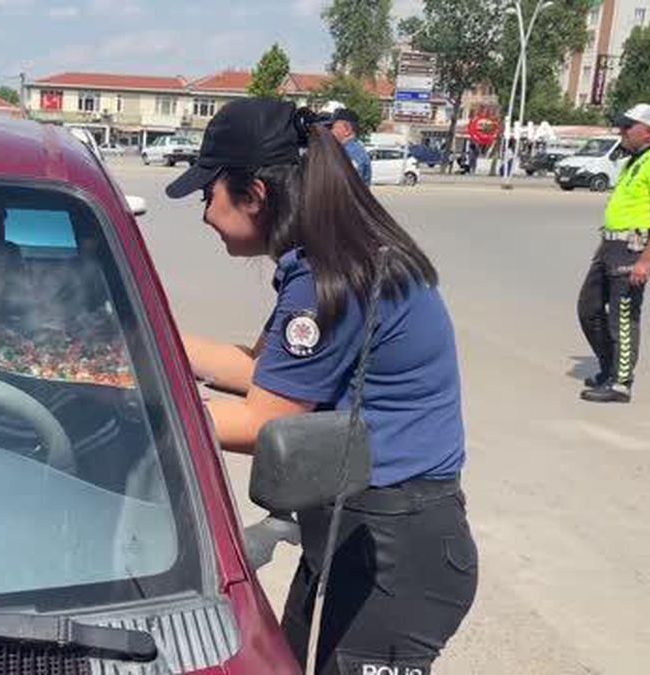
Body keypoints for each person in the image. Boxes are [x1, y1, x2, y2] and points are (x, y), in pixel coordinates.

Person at [166, 98, 476, 674]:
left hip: (392, 554)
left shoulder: (332, 279)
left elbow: (266, 423)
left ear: (255, 194)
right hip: (356, 531)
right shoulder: (336, 257)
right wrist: (146, 344)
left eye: (209, 194)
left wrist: (140, 417)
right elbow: (269, 373)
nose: (205, 213)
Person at [577, 103, 650, 403]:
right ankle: (609, 368)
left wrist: (647, 259)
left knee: (622, 317)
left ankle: (620, 383)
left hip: (633, 249)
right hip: (610, 247)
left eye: (628, 126)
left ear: (648, 131)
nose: (622, 131)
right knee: (588, 308)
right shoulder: (634, 162)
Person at [325, 107, 371, 185]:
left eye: (332, 127)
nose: (330, 132)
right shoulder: (349, 150)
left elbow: (345, 187)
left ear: (347, 129)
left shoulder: (350, 154)